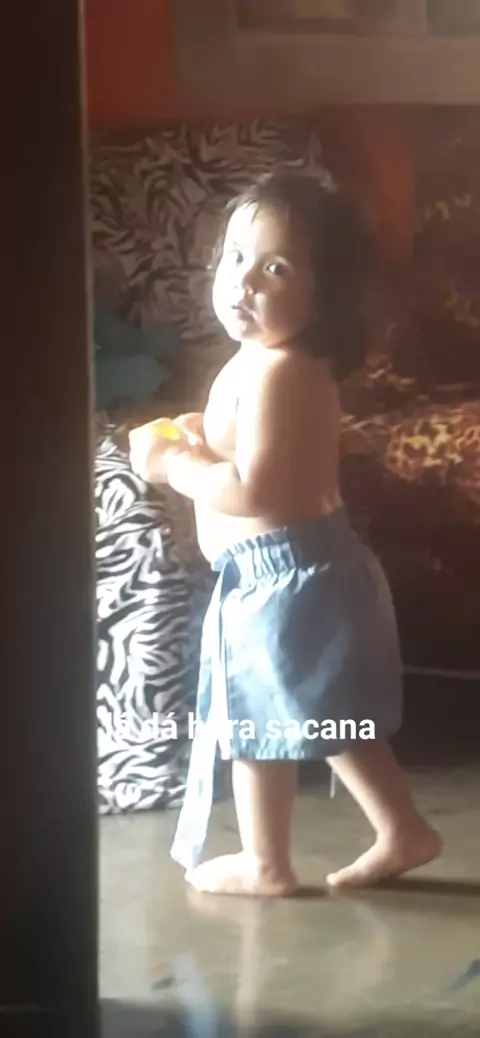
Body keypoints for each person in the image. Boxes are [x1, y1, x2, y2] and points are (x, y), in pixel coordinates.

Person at [129, 172, 442, 897]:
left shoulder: (281, 373)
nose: (245, 281)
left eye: (275, 269)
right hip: (296, 574)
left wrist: (175, 465)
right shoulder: (262, 362)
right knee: (329, 719)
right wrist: (201, 435)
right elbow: (251, 449)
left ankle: (267, 861)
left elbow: (254, 491)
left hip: (283, 581)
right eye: (237, 256)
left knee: (254, 721)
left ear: (324, 295)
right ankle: (402, 829)